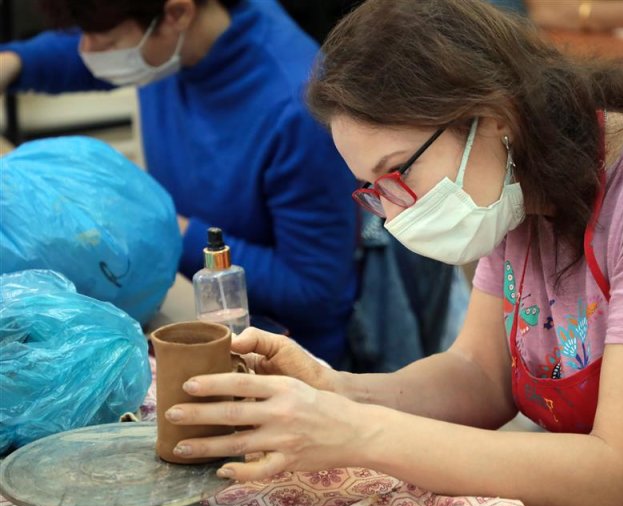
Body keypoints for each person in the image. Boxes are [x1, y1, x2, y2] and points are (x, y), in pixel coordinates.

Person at [156, 1, 623, 506]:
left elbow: (621, 487)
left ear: (495, 118)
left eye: (398, 172)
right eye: (371, 191)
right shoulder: (525, 190)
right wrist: (333, 391)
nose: (391, 212)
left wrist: (354, 431)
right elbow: (479, 377)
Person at [0, 0, 358, 366]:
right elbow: (90, 53)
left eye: (105, 43)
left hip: (276, 354)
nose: (87, 51)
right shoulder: (180, 43)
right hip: (180, 299)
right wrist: (12, 63)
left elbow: (313, 290)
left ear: (177, 14)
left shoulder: (295, 111)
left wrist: (164, 228)